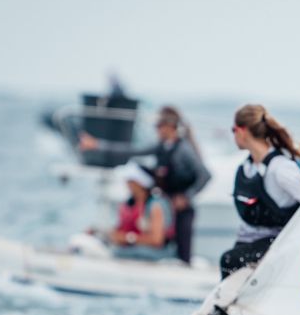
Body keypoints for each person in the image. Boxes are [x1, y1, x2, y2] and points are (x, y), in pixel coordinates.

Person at [80, 105, 210, 263]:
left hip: (182, 208)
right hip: (168, 204)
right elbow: (131, 150)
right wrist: (98, 145)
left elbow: (205, 175)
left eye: (158, 126)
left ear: (169, 127)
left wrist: (186, 197)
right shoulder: (161, 147)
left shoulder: (184, 150)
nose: (156, 130)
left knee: (183, 256)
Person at [220, 104, 300, 278]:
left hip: (277, 244)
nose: (233, 135)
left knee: (229, 260)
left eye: (233, 129)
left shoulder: (281, 169)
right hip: (248, 243)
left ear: (242, 131)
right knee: (229, 260)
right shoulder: (247, 167)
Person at [107, 162, 174, 260]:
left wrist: (128, 238)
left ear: (139, 183)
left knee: (118, 253)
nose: (127, 184)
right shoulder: (130, 203)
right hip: (135, 247)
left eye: (130, 181)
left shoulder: (156, 205)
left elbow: (157, 240)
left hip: (158, 253)